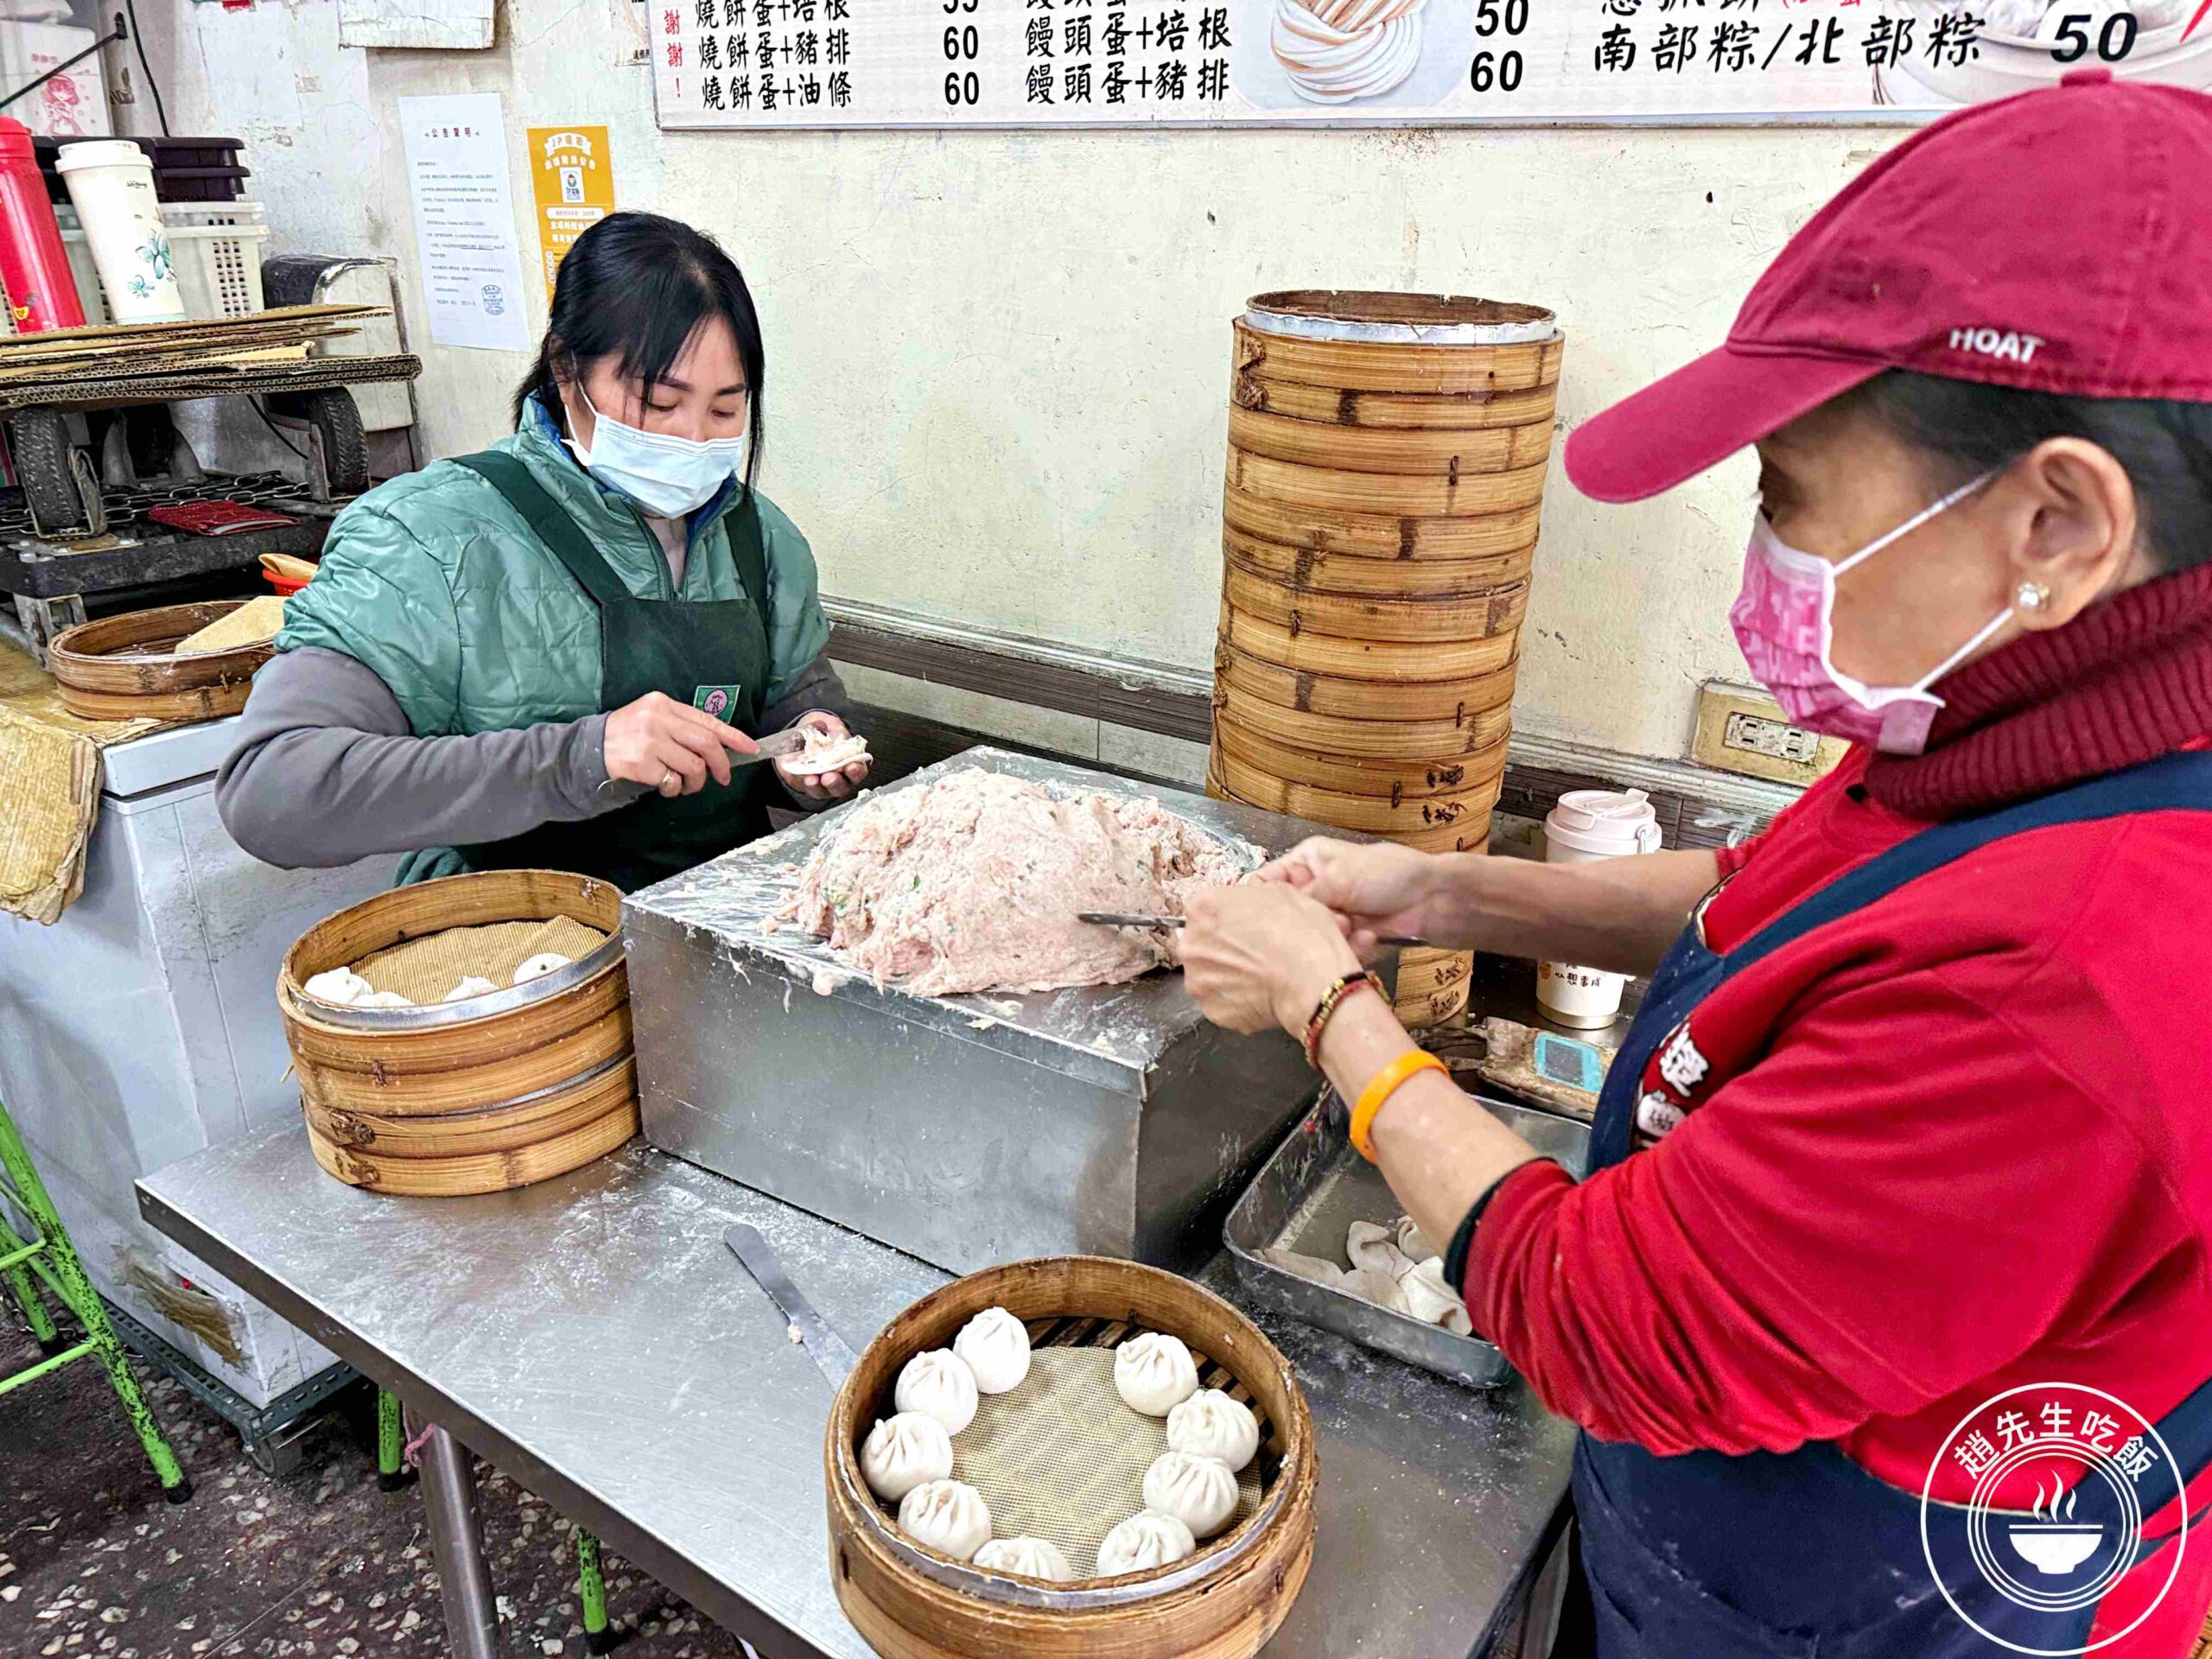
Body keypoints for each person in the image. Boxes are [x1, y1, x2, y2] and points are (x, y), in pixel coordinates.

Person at [1181, 72, 2212, 1657]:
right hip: (1732, 1539)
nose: (1770, 550)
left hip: (1854, 1613)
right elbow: (1787, 897)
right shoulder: (2032, 717)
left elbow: (1610, 1325)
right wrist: (1444, 888)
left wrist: (1331, 1010)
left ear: (2058, 525)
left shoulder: (2087, 970)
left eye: (1792, 496)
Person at [219, 212, 868, 891]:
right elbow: (272, 794)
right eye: (657, 401)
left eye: (725, 411)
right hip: (511, 947)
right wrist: (580, 757)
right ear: (565, 369)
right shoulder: (428, 537)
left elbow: (796, 703)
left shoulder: (759, 536)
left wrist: (810, 747)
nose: (692, 437)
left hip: (717, 927)